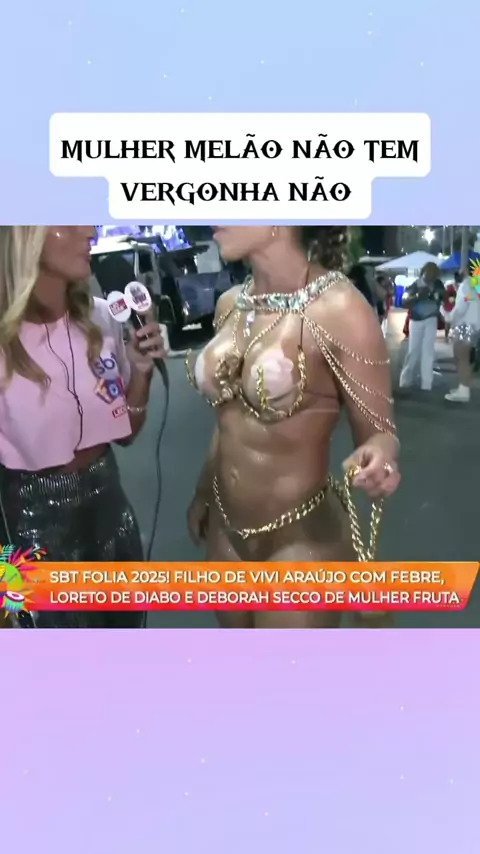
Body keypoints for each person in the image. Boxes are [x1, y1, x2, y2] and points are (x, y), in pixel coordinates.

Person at [185, 226, 400, 629]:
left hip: (300, 539)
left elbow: (379, 432)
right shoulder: (230, 304)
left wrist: (379, 457)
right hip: (225, 529)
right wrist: (202, 490)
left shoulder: (341, 310)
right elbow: (227, 417)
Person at [0, 226, 165, 628]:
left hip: (111, 512)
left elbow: (126, 432)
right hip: (29, 528)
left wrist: (141, 372)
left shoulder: (101, 317)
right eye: (70, 221)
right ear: (26, 235)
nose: (90, 231)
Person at [399, 263, 444, 392]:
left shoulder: (437, 284)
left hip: (431, 319)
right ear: (423, 272)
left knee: (428, 352)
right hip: (416, 320)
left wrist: (439, 295)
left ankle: (426, 384)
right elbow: (404, 302)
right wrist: (418, 296)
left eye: (434, 274)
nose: (431, 277)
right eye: (429, 274)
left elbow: (444, 297)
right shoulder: (415, 285)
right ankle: (405, 380)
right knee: (413, 351)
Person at [445, 268, 480, 403]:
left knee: (461, 357)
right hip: (474, 325)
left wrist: (448, 316)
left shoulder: (467, 285)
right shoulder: (476, 284)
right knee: (467, 358)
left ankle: (463, 391)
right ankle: (463, 388)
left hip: (465, 324)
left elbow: (461, 307)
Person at [441, 273, 461, 341]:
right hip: (448, 307)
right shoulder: (449, 286)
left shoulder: (462, 286)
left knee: (457, 322)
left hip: (457, 307)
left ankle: (455, 336)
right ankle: (446, 336)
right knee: (448, 322)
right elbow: (445, 296)